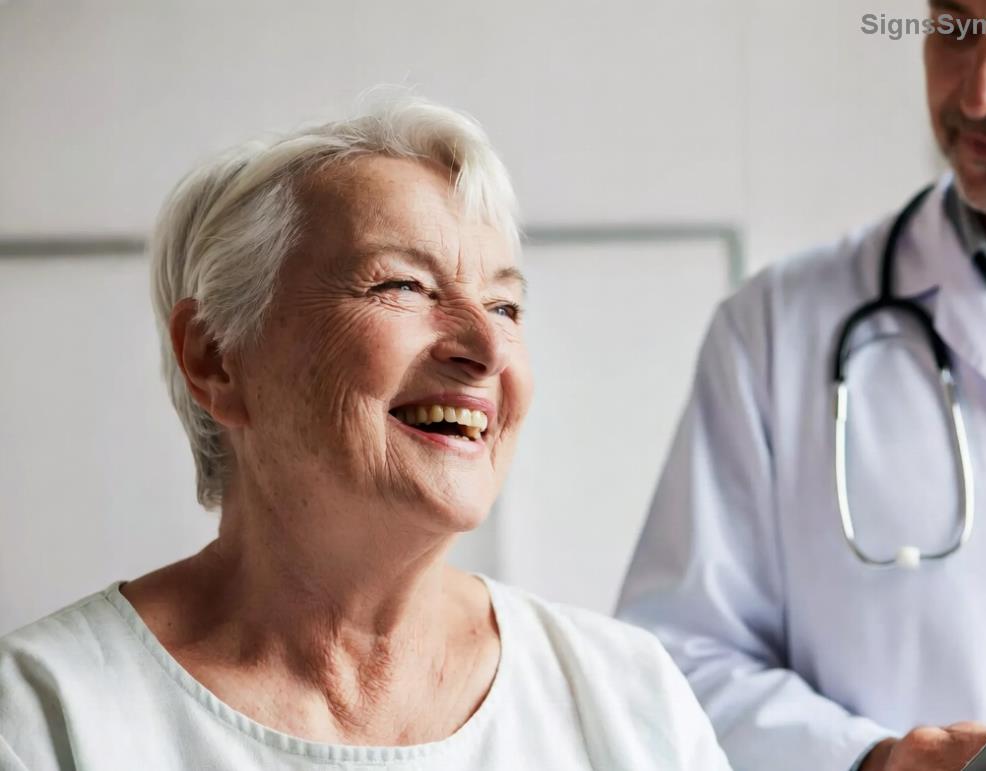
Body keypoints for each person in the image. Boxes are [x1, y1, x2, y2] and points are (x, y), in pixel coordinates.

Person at [0, 96, 732, 771]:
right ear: (216, 355)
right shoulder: (44, 716)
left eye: (506, 305)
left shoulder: (628, 695)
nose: (486, 346)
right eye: (403, 285)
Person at [617, 1, 986, 769]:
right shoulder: (776, 328)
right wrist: (869, 759)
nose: (979, 93)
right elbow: (672, 664)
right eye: (954, 25)